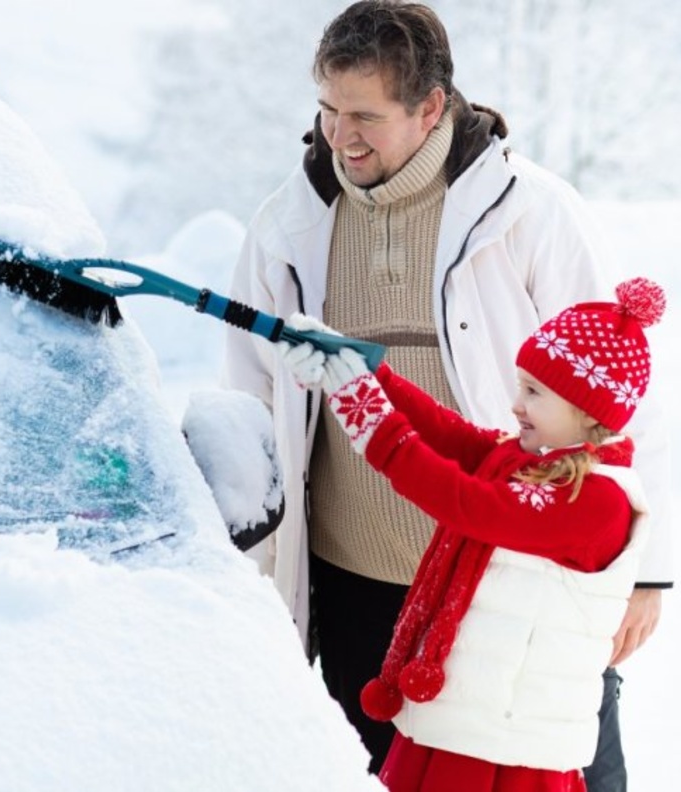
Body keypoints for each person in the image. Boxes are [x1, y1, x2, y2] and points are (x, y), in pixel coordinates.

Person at [221, 0, 673, 785]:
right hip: (355, 579)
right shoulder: (287, 224)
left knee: (561, 769)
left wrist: (647, 568)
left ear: (431, 107)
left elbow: (627, 394)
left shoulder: (528, 213)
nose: (340, 136)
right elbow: (253, 395)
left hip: (522, 576)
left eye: (366, 114)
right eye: (327, 110)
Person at [276, 278, 663, 792]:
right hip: (462, 724)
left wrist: (364, 412)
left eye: (535, 392)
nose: (516, 404)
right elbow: (450, 434)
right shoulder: (533, 461)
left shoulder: (595, 501)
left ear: (585, 411)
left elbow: (469, 506)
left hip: (510, 748)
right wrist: (365, 370)